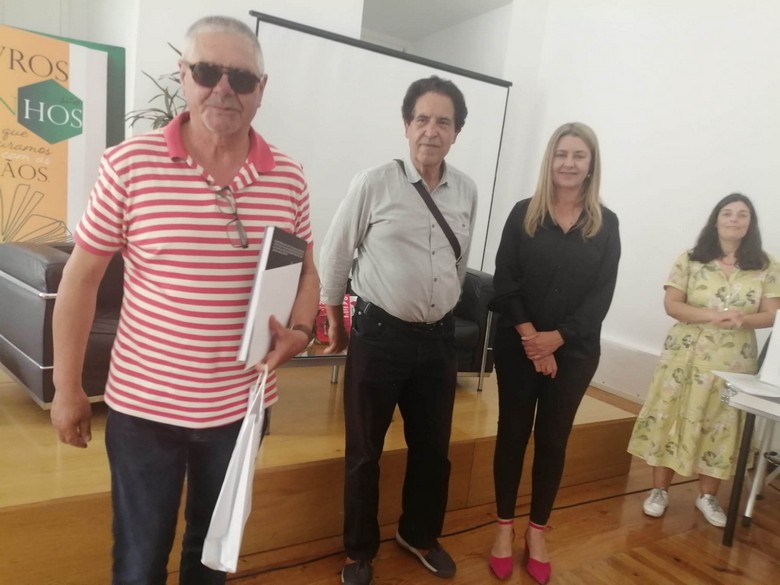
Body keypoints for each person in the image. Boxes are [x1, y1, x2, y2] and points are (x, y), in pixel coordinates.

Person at [49, 15, 319, 585]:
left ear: (261, 89)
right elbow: (80, 280)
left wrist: (300, 330)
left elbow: (305, 272)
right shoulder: (129, 164)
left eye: (241, 78)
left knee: (211, 560)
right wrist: (67, 388)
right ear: (183, 75)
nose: (224, 89)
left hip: (241, 410)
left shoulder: (288, 178)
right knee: (139, 563)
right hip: (145, 410)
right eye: (207, 71)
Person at [318, 75, 477, 585]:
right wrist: (334, 318)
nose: (432, 130)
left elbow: (459, 263)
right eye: (422, 119)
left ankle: (418, 535)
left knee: (433, 450)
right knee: (365, 451)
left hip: (438, 341)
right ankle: (359, 550)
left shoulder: (466, 190)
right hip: (380, 336)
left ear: (456, 132)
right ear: (407, 126)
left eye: (444, 122)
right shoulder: (374, 183)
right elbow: (335, 253)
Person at [487, 122, 621, 584]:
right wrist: (532, 339)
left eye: (578, 155)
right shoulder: (523, 214)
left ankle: (537, 532)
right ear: (550, 160)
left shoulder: (606, 224)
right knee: (512, 434)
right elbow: (504, 281)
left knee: (553, 440)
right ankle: (503, 528)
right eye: (561, 154)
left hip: (575, 352)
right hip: (518, 346)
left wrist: (556, 339)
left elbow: (601, 296)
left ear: (591, 164)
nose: (569, 162)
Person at [628, 193, 780, 528]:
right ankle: (659, 491)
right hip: (685, 357)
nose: (734, 219)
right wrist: (712, 315)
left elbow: (772, 314)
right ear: (716, 220)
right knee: (672, 417)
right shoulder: (691, 259)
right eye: (727, 213)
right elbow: (672, 305)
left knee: (721, 423)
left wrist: (742, 319)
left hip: (733, 362)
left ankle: (707, 496)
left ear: (751, 223)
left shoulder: (766, 265)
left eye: (742, 214)